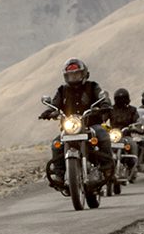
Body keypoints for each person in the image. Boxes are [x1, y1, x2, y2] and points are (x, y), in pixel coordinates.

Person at [37, 58, 114, 186]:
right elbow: (55, 103)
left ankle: (107, 168)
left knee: (102, 134)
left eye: (76, 74)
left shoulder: (92, 86)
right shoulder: (62, 90)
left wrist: (104, 104)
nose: (73, 78)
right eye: (70, 75)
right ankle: (59, 175)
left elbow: (102, 97)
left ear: (84, 74)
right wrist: (49, 111)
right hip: (70, 127)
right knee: (56, 144)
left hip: (91, 124)